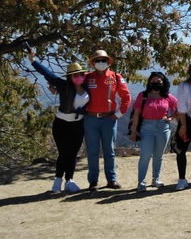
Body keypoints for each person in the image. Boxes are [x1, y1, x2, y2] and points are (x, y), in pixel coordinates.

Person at [28, 49, 89, 193]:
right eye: (75, 74)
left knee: (73, 153)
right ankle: (57, 180)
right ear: (69, 77)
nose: (78, 76)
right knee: (63, 153)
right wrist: (33, 60)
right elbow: (47, 73)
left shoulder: (87, 87)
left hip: (78, 124)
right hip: (62, 124)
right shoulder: (63, 85)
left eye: (80, 74)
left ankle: (70, 181)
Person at [83, 49, 131, 190]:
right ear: (93, 63)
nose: (101, 63)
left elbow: (126, 97)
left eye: (103, 60)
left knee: (109, 150)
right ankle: (93, 181)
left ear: (108, 62)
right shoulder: (87, 77)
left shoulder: (115, 77)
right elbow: (72, 86)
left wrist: (117, 115)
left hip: (108, 119)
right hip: (90, 119)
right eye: (98, 60)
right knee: (92, 151)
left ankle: (111, 179)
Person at [130, 72, 178, 192]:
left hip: (163, 128)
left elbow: (178, 108)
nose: (156, 84)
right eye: (153, 82)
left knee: (158, 155)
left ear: (163, 83)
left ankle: (155, 179)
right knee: (145, 155)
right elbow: (136, 114)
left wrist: (171, 118)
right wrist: (134, 130)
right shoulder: (143, 96)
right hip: (146, 127)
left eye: (159, 82)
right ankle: (141, 182)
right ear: (150, 83)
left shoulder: (167, 96)